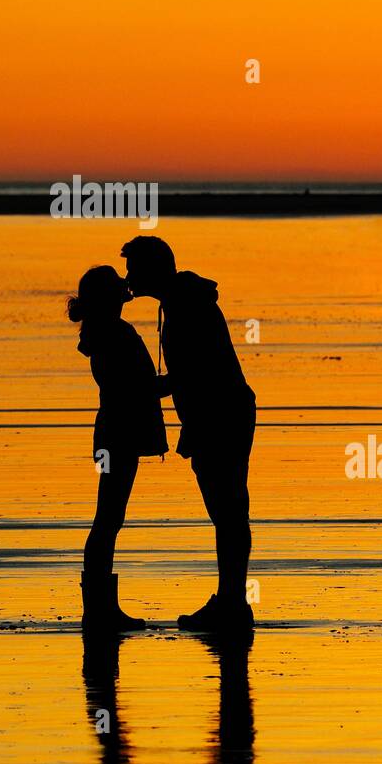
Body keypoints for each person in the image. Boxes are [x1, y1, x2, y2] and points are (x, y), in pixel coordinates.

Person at [121, 236, 256, 633]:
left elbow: (197, 372)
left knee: (228, 511)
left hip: (222, 415)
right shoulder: (179, 301)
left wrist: (147, 389)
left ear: (152, 270)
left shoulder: (186, 305)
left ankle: (232, 603)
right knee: (228, 512)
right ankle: (231, 600)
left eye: (134, 269)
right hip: (217, 415)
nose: (129, 277)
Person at [68, 265, 168, 631]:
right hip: (118, 436)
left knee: (108, 519)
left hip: (111, 434)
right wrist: (185, 379)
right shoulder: (116, 334)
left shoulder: (101, 333)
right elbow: (141, 387)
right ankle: (99, 611)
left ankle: (100, 608)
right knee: (108, 520)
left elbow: (136, 386)